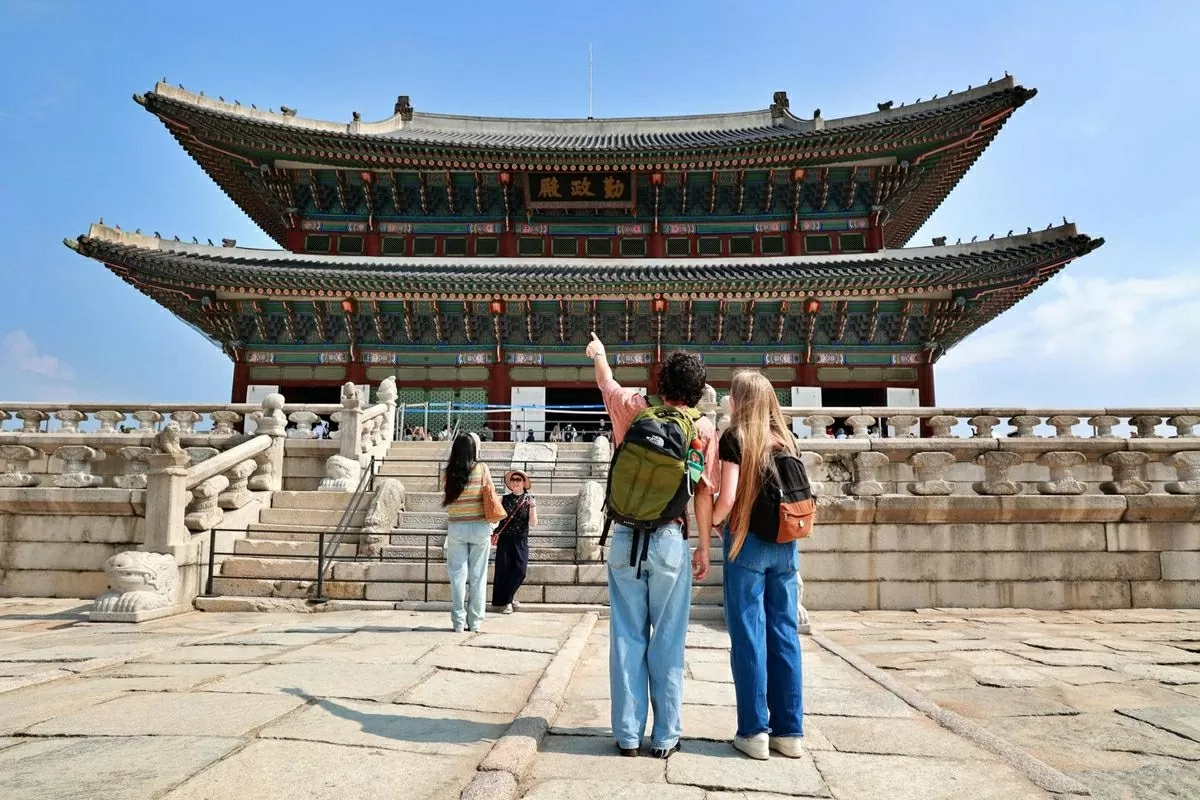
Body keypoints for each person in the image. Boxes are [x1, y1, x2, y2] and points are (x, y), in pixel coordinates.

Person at [588, 332, 719, 760]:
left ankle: (627, 735)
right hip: (668, 537)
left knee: (626, 635)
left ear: (661, 383)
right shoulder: (701, 428)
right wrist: (701, 546)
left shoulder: (633, 407)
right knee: (668, 637)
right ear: (699, 392)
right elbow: (702, 492)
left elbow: (606, 384)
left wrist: (601, 353)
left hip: (624, 535)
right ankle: (665, 735)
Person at [709, 371, 804, 761]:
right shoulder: (787, 441)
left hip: (746, 543)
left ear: (740, 400)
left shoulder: (736, 437)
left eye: (732, 395)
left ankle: (754, 731)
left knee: (748, 636)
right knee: (784, 634)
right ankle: (790, 732)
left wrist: (713, 522)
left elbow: (728, 496)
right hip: (786, 545)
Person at [441, 432, 495, 633]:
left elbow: (447, 495)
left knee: (457, 575)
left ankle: (457, 622)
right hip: (480, 526)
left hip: (457, 526)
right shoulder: (482, 468)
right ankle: (475, 621)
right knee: (478, 575)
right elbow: (490, 493)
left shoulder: (448, 472)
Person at [492, 469, 538, 614]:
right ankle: (507, 601)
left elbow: (534, 523)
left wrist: (533, 507)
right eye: (513, 480)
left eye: (518, 479)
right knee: (503, 570)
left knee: (520, 570)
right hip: (505, 538)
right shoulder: (503, 499)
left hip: (520, 539)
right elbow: (496, 518)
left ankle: (507, 598)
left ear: (524, 482)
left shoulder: (529, 499)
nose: (515, 482)